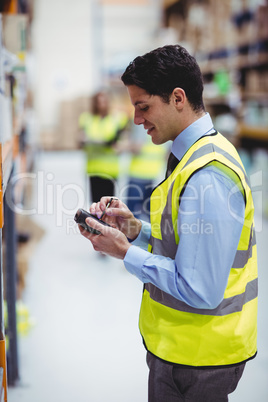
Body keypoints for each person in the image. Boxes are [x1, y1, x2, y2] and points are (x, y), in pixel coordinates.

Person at [78, 45, 258, 402]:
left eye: (143, 106)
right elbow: (187, 243)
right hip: (184, 349)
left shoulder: (207, 176)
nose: (135, 119)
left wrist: (125, 253)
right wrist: (135, 230)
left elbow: (201, 289)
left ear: (178, 98)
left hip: (199, 357)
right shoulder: (196, 152)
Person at [79, 90, 129, 203]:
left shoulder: (117, 119)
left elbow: (117, 142)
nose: (101, 105)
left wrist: (96, 141)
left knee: (108, 207)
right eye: (98, 102)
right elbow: (80, 141)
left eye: (104, 101)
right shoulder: (87, 119)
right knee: (96, 206)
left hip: (109, 170)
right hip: (93, 169)